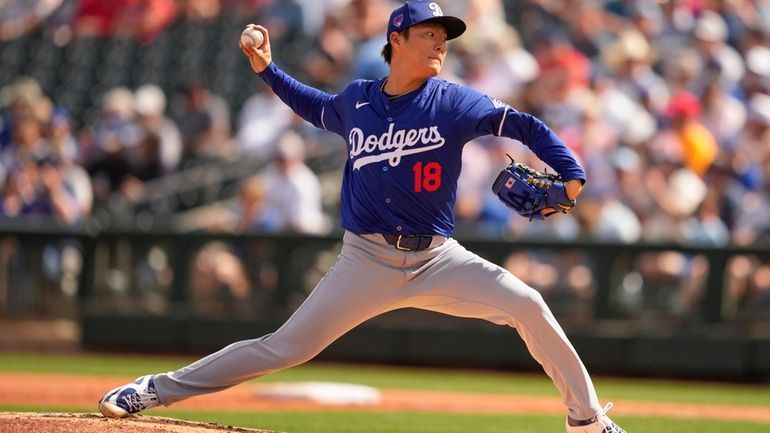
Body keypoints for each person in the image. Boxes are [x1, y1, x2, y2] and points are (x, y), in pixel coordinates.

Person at [98, 2, 626, 432]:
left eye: (446, 35)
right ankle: (156, 389)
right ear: (397, 38)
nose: (441, 42)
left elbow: (525, 125)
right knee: (285, 346)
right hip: (365, 260)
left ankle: (585, 420)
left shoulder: (455, 102)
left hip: (439, 258)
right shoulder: (358, 101)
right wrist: (267, 68)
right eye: (429, 33)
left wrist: (571, 173)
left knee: (528, 304)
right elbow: (312, 105)